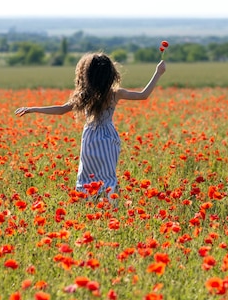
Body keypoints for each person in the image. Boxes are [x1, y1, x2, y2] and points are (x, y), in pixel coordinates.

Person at [15, 52, 166, 202]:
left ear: (87, 74)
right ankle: (110, 201)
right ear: (110, 73)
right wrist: (158, 73)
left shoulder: (84, 95)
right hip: (108, 138)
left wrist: (33, 108)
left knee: (87, 174)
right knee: (107, 174)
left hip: (90, 138)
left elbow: (61, 109)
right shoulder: (115, 94)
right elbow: (143, 94)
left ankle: (86, 201)